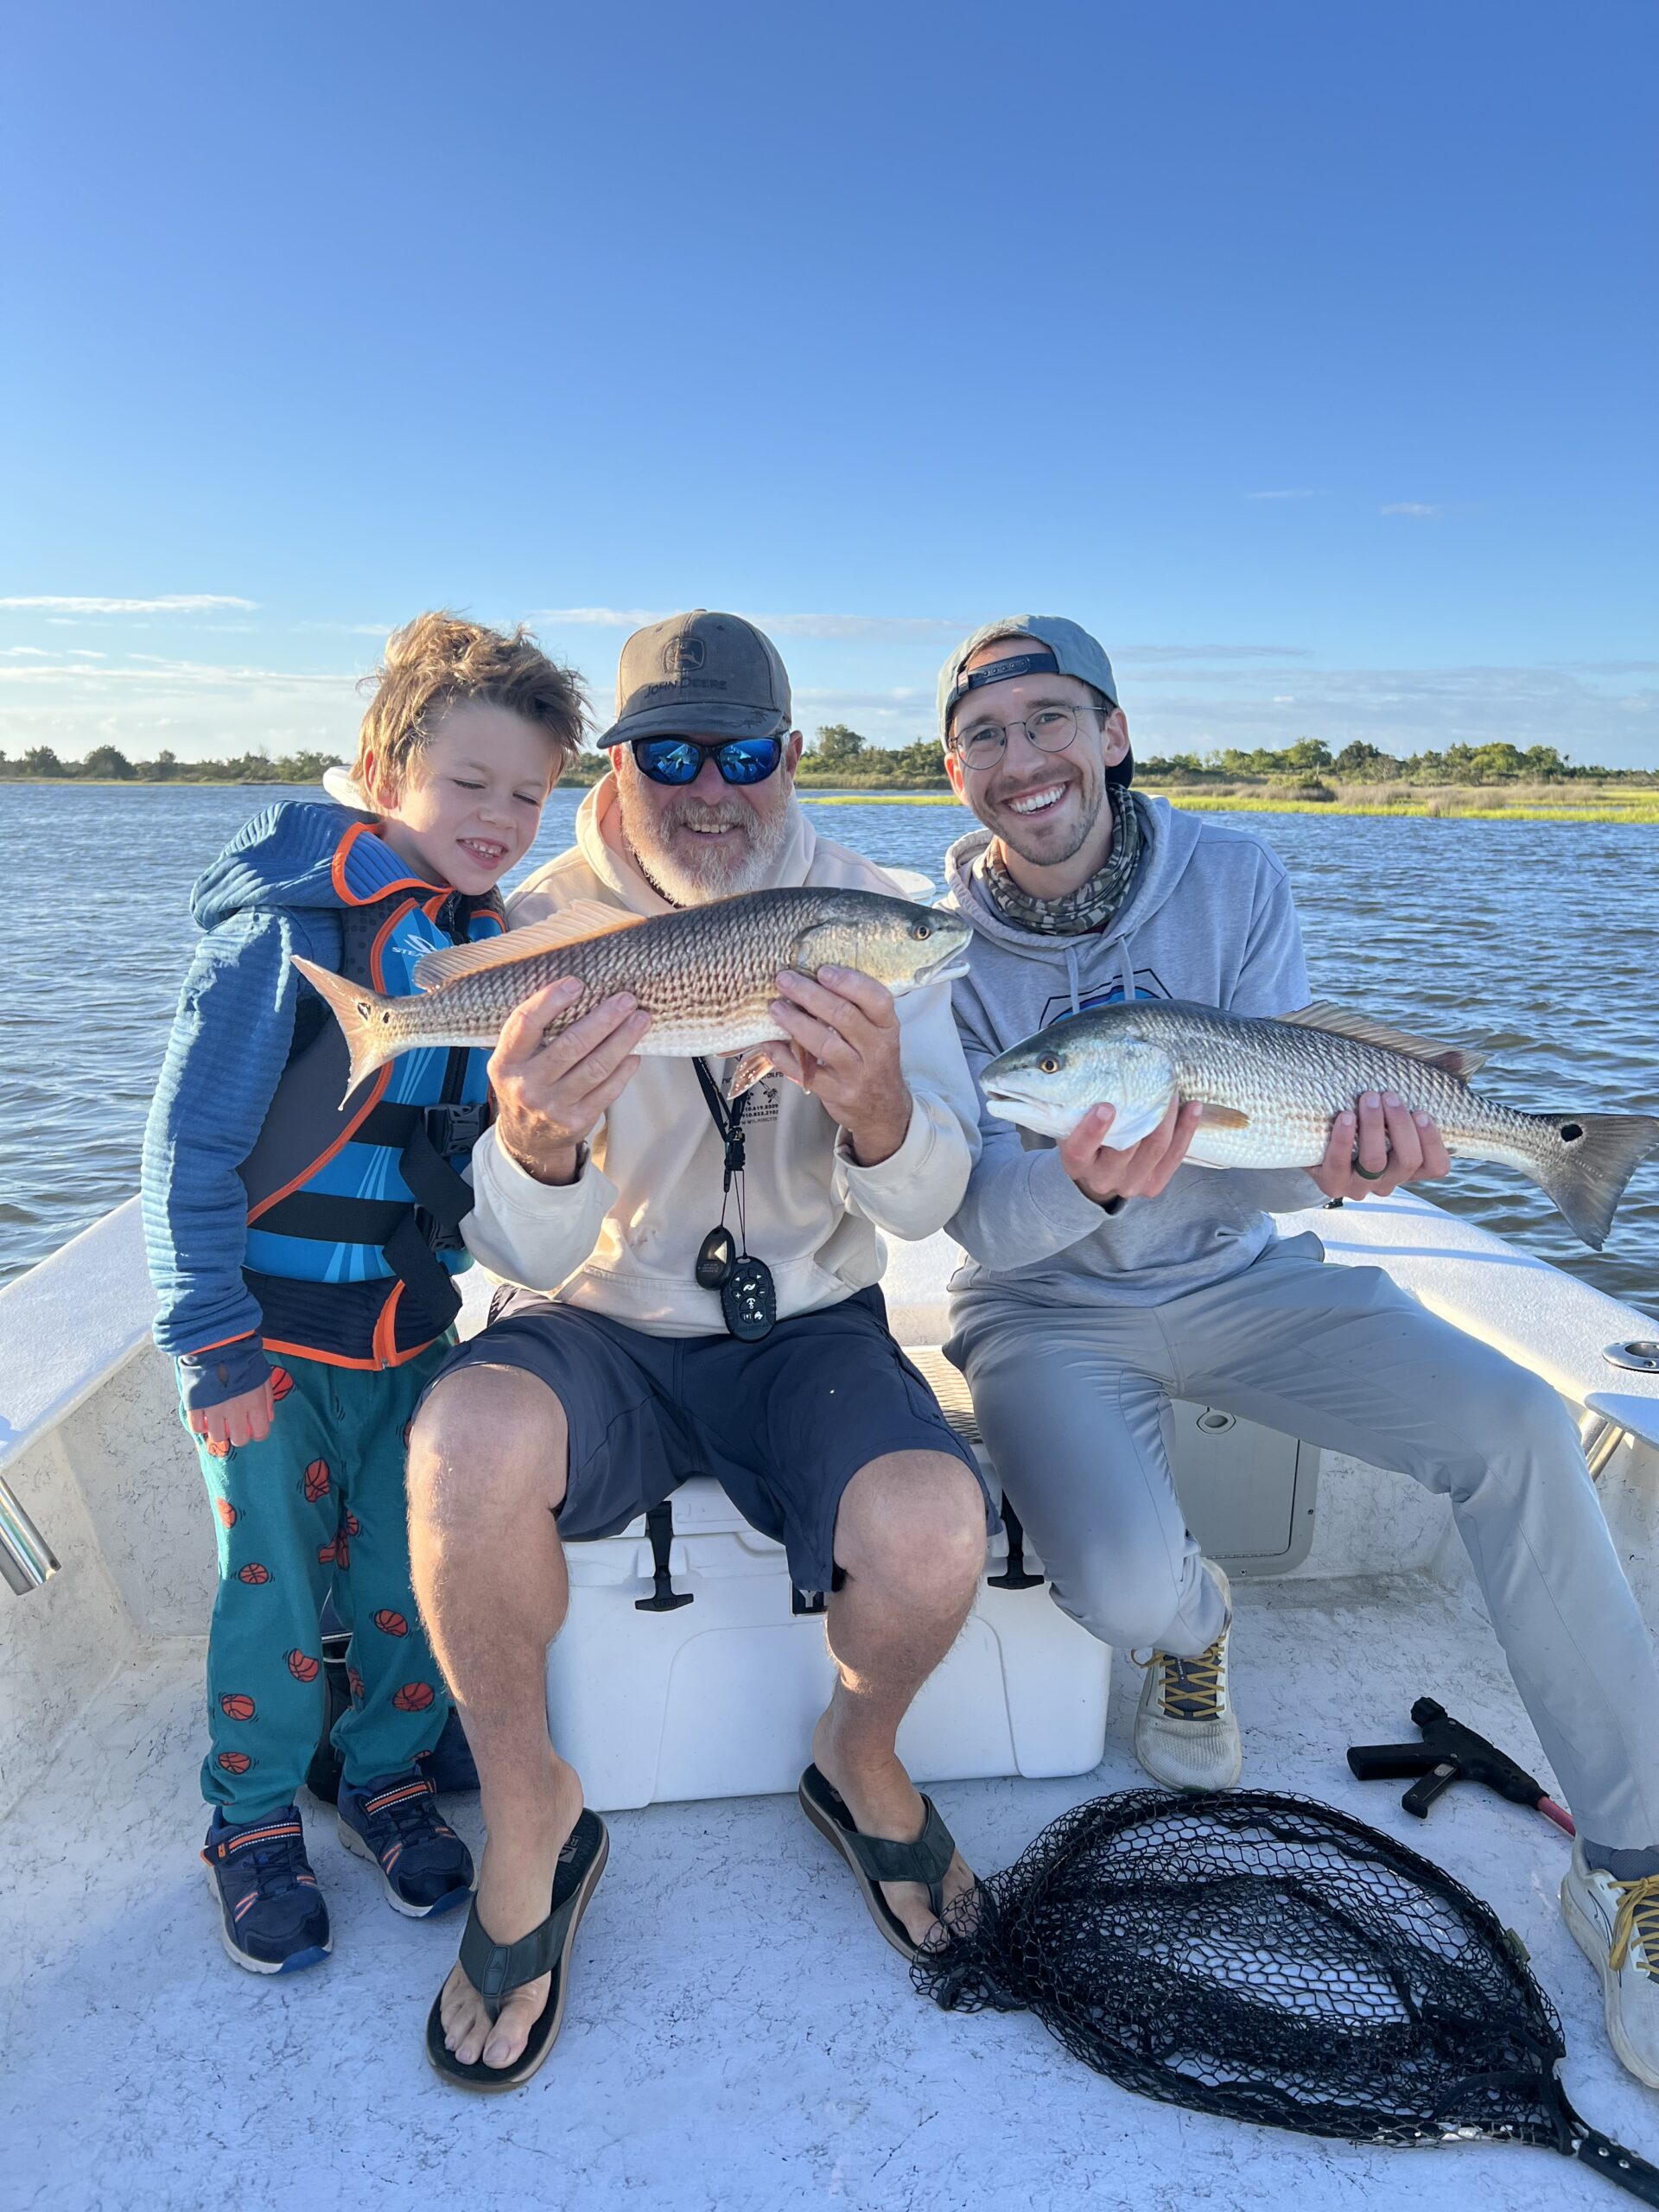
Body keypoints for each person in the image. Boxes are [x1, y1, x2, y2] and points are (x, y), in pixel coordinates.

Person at [936, 613, 1659, 2090]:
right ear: (954, 772)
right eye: (986, 738)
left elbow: (1262, 1155)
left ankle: (1636, 1862)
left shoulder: (1234, 877)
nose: (1027, 762)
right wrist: (1079, 1182)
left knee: (1520, 1426)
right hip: (1046, 1304)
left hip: (1247, 1270)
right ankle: (1197, 1631)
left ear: (1114, 732)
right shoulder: (932, 956)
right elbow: (965, 1215)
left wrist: (1348, 1169)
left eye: (1052, 719)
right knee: (1129, 1592)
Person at [406, 609, 993, 2090]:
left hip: (806, 1326)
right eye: (669, 753)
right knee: (461, 1443)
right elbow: (518, 1261)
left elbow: (935, 1202)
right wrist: (536, 1142)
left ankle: (858, 1754)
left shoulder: (871, 909)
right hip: (597, 1324)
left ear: (791, 756)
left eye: (742, 753)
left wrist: (877, 1112)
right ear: (616, 760)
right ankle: (534, 1812)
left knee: (935, 1525)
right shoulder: (533, 922)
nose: (709, 787)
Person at [142, 613, 586, 1974]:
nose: (504, 818)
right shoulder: (286, 934)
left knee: (407, 1579)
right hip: (260, 1349)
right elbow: (185, 1154)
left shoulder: (490, 946)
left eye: (530, 794)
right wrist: (213, 1350)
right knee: (273, 1601)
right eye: (471, 784)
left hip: (407, 1340)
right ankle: (252, 1820)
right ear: (384, 768)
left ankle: (384, 1776)